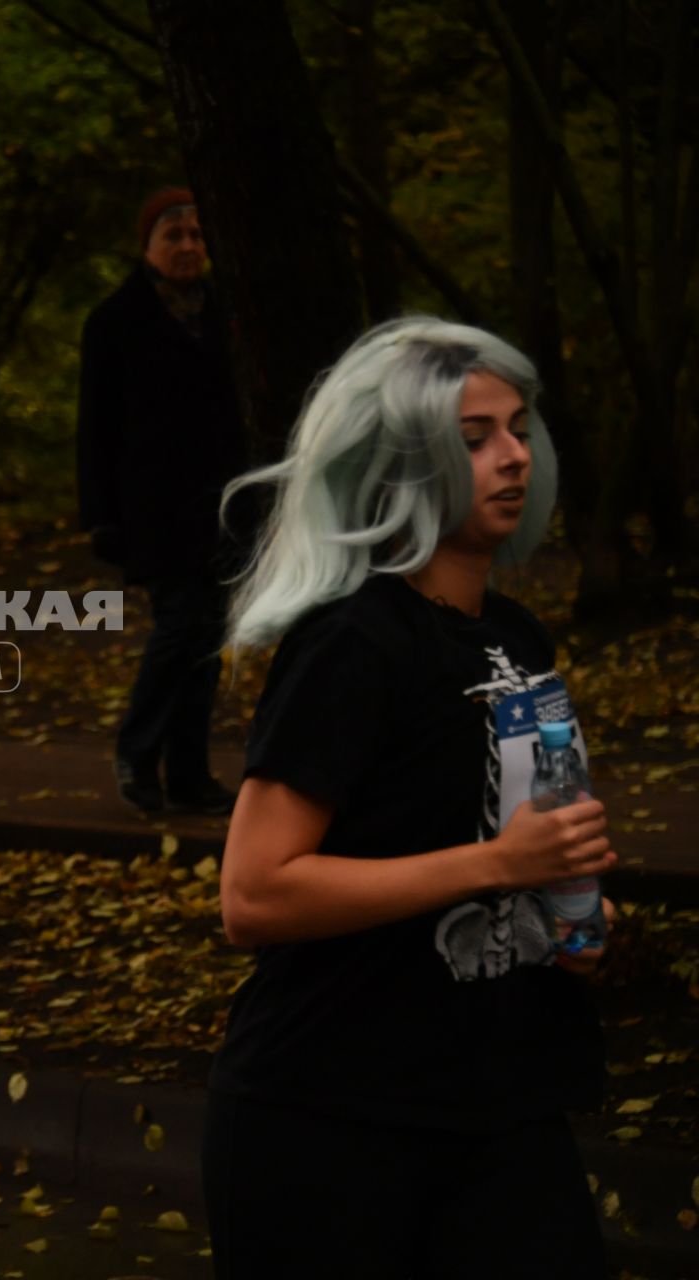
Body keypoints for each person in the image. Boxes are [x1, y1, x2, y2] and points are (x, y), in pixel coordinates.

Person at [203, 318, 613, 1276]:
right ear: (402, 462)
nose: (513, 456)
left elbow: (501, 823)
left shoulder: (515, 635)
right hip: (333, 1118)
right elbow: (254, 896)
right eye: (473, 439)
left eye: (518, 428)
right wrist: (497, 865)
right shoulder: (353, 643)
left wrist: (563, 902)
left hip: (501, 1102)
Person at [76, 186, 247, 814]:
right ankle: (136, 753)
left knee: (207, 638)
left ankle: (190, 773)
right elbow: (94, 426)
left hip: (220, 508)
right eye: (173, 235)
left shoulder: (225, 314)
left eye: (197, 236)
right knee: (181, 628)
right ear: (147, 245)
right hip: (152, 510)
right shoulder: (116, 320)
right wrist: (99, 515)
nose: (187, 247)